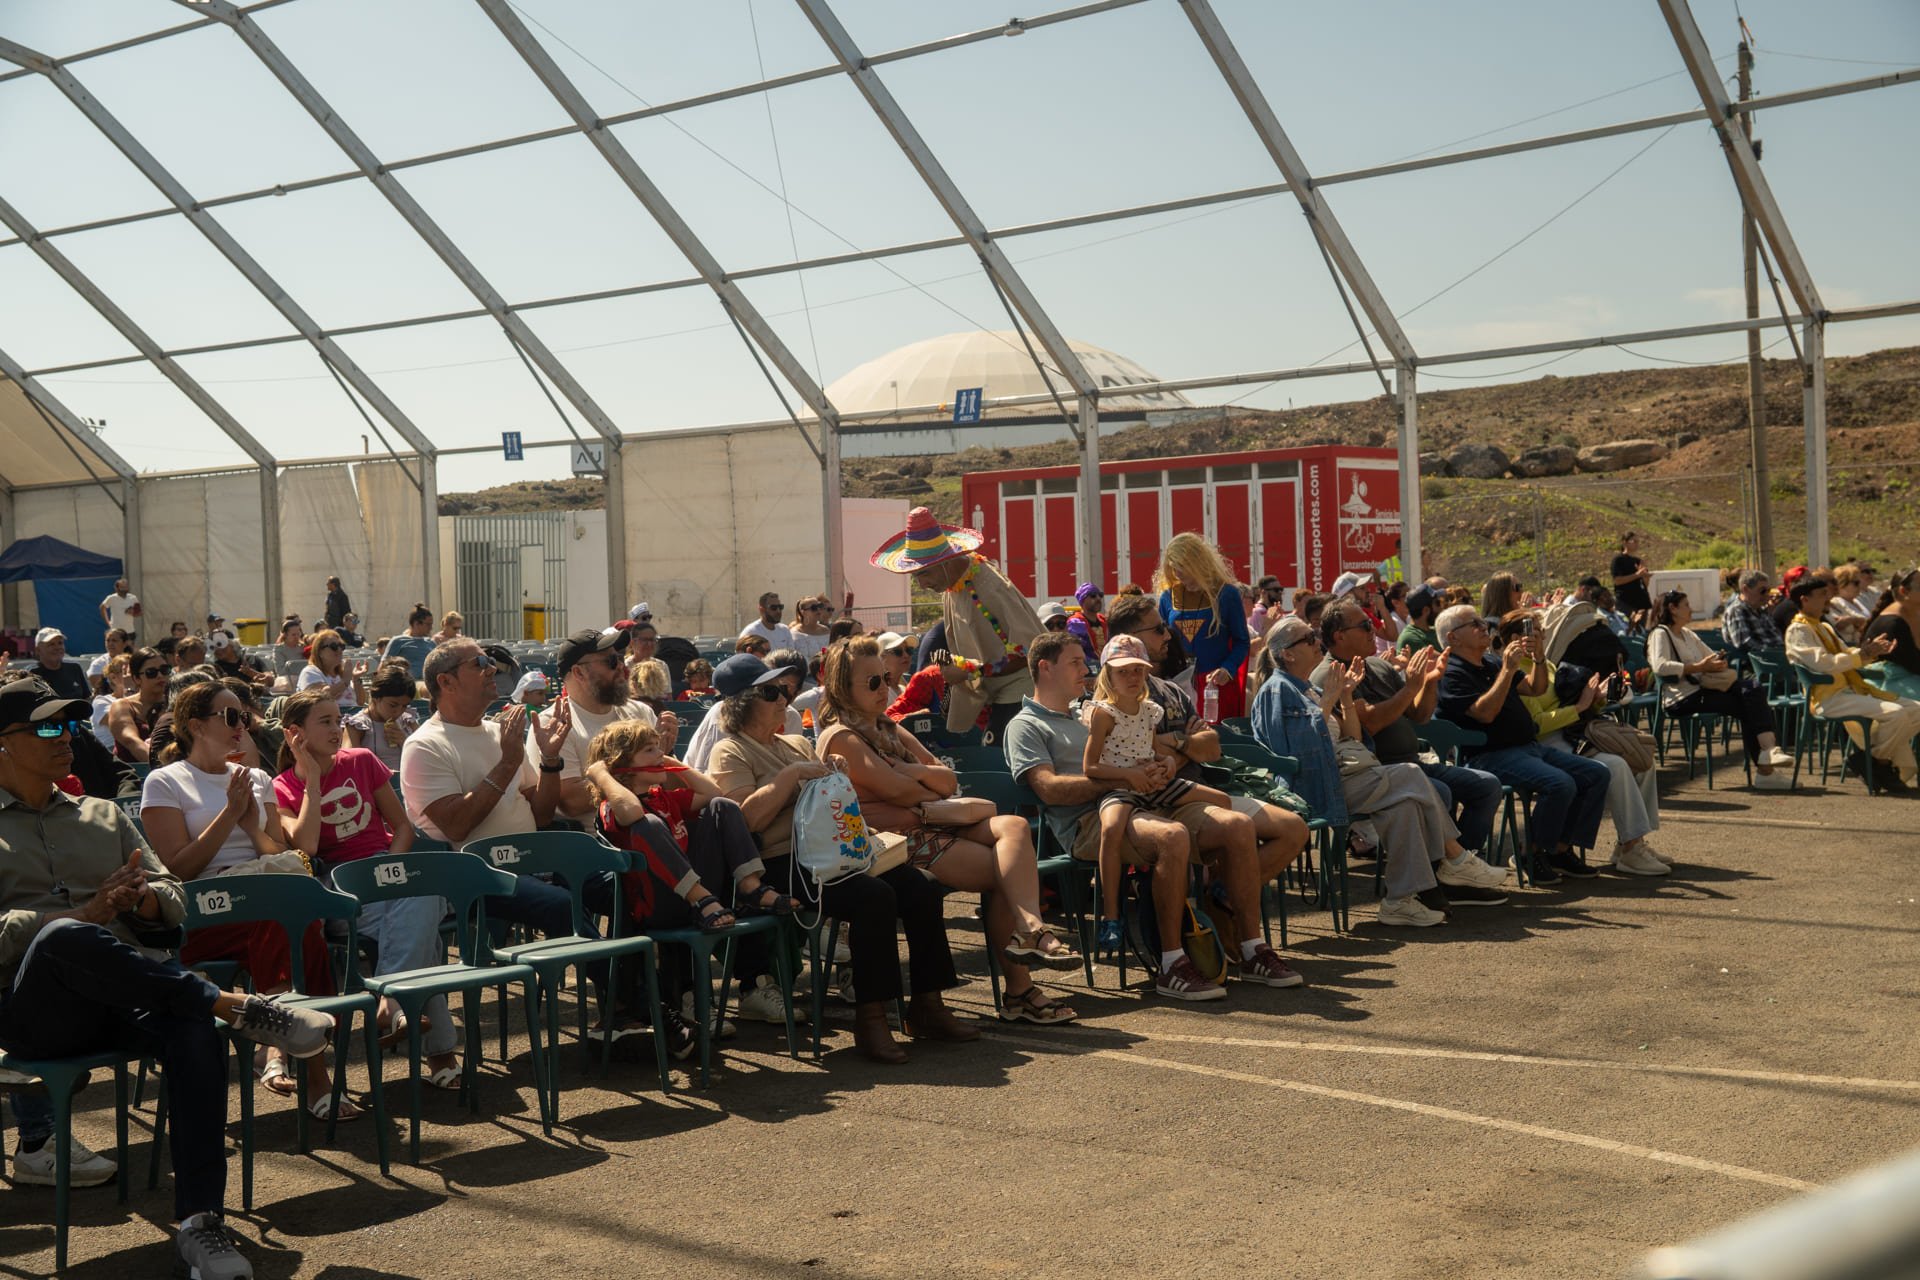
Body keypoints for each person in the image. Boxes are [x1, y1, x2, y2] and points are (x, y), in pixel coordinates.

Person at [0, 679, 337, 1279]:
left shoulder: (101, 815)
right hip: (35, 1014)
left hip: (130, 992)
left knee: (193, 1034)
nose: (69, 738)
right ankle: (235, 1005)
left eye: (74, 725)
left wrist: (140, 903)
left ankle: (201, 1221)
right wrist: (83, 916)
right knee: (64, 937)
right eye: (49, 727)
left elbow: (174, 894)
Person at [703, 654, 985, 1061]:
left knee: (919, 887)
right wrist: (791, 776)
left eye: (785, 690)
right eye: (771, 692)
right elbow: (745, 823)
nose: (785, 699)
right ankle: (870, 1021)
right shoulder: (730, 752)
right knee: (873, 897)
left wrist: (832, 774)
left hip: (828, 854)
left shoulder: (795, 742)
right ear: (740, 702)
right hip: (780, 866)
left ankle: (928, 1005)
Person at [1006, 630, 1303, 1000]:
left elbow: (1147, 746)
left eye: (1085, 661)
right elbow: (1049, 789)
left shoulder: (1089, 708)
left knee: (1238, 825)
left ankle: (1251, 948)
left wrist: (1161, 764)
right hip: (1091, 822)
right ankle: (1171, 963)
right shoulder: (1025, 725)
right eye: (1076, 662)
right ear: (1045, 668)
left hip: (1150, 799)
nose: (1086, 667)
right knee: (1172, 837)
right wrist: (1126, 779)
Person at [816, 637, 1080, 1026]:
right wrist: (918, 782)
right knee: (1006, 872)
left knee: (1015, 826)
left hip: (932, 822)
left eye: (886, 678)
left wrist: (912, 775)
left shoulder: (888, 727)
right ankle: (1020, 987)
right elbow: (896, 789)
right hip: (900, 842)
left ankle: (1029, 930)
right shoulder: (841, 737)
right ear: (842, 687)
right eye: (872, 682)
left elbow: (944, 779)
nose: (886, 688)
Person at [140, 681, 354, 1117]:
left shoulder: (256, 778)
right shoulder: (165, 783)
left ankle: (282, 1038)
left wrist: (253, 826)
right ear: (196, 726)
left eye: (245, 717)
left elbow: (276, 854)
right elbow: (178, 870)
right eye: (231, 717)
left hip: (261, 901)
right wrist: (229, 815)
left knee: (289, 917)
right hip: (202, 910)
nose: (243, 726)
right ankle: (310, 1064)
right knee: (285, 920)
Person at [1256, 618, 1491, 925]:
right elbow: (1293, 752)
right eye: (1309, 638)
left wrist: (1345, 698)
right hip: (1314, 786)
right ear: (1287, 654)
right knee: (1409, 773)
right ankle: (1455, 857)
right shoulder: (1276, 691)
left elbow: (1353, 738)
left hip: (1347, 775)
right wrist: (1328, 702)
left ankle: (1399, 901)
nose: (1317, 642)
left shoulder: (1310, 688)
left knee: (1403, 806)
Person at [271, 688, 450, 1079]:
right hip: (337, 887)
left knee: (423, 899)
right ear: (294, 733)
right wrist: (313, 782)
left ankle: (391, 995)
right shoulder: (282, 786)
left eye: (338, 720)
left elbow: (402, 827)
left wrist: (389, 871)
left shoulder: (363, 760)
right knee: (424, 921)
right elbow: (306, 844)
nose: (338, 729)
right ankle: (437, 1049)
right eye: (326, 722)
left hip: (384, 870)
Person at [583, 719, 801, 1030]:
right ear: (621, 765)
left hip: (700, 899)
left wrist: (669, 763)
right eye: (649, 749)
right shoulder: (614, 807)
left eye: (659, 747)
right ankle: (695, 994)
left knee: (723, 806)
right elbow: (631, 814)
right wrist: (601, 774)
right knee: (648, 824)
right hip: (659, 906)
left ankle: (751, 886)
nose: (660, 752)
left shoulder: (664, 796)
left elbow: (713, 792)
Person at [1102, 594, 1311, 893]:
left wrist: (1174, 742)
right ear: (1129, 639)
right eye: (1159, 629)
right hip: (1159, 804)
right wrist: (1187, 746)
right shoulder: (1112, 696)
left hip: (1200, 790)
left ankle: (1223, 895)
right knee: (1231, 829)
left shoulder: (1172, 687)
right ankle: (1226, 903)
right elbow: (1141, 753)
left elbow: (1212, 747)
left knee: (1294, 830)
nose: (1168, 634)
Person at [1312, 600, 1508, 900]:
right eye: (1366, 625)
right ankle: (1434, 884)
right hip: (1376, 772)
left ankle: (1456, 872)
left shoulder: (1376, 665)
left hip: (1412, 763)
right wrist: (1408, 688)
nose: (1374, 629)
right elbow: (1369, 725)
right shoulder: (1331, 676)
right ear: (1339, 635)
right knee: (1438, 791)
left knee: (1486, 785)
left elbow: (1420, 715)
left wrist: (1429, 683)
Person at [1434, 604, 1611, 885]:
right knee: (1560, 783)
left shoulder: (1490, 662)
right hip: (1489, 755)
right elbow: (1484, 713)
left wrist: (1539, 658)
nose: (1483, 627)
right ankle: (1531, 854)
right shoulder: (1452, 672)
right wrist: (1507, 670)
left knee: (1597, 773)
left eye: (1482, 621)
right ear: (1453, 638)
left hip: (1527, 748)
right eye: (1474, 624)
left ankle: (1559, 850)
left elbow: (1535, 688)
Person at [1496, 613, 1671, 875]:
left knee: (1642, 760)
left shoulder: (1544, 664)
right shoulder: (1515, 671)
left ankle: (1631, 842)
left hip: (1575, 734)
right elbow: (1537, 725)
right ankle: (1631, 848)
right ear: (1516, 638)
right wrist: (1579, 708)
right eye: (1535, 631)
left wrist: (1597, 697)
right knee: (1617, 765)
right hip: (1548, 742)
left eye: (1541, 630)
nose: (1542, 635)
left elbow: (1570, 702)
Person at [1082, 634, 1232, 936]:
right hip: (1120, 786)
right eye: (1122, 670)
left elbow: (1153, 750)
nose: (1132, 676)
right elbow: (1090, 767)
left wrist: (1167, 764)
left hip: (1153, 781)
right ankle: (1111, 916)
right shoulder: (1103, 713)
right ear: (1108, 674)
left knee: (1223, 802)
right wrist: (1129, 776)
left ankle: (1218, 882)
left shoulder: (1149, 710)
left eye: (1137, 669)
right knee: (1111, 830)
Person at [870, 507, 1043, 739]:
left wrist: (972, 671)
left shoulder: (989, 586)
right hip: (994, 696)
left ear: (945, 563)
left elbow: (1031, 651)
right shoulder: (952, 586)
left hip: (1021, 694)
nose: (921, 585)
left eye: (923, 574)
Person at [1785, 573, 1920, 790]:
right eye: (1821, 595)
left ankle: (1872, 761)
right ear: (1805, 599)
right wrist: (1861, 655)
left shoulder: (1823, 627)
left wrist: (1872, 652)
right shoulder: (1798, 629)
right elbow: (1823, 664)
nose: (1827, 599)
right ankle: (1878, 765)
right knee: (1896, 713)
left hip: (1849, 691)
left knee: (1916, 710)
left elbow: (1848, 654)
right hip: (1827, 697)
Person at [1646, 589, 1792, 789]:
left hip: (1702, 690)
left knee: (1752, 689)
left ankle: (1768, 756)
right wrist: (1699, 667)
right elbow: (1660, 666)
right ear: (1672, 609)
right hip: (1681, 698)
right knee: (1747, 704)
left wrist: (1718, 662)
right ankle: (1766, 767)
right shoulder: (1660, 634)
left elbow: (1710, 655)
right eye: (1686, 605)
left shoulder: (1688, 634)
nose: (1691, 609)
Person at [1158, 532, 1251, 721]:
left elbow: (1242, 641)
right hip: (1178, 685)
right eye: (1174, 567)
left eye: (1182, 566)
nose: (1177, 573)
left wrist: (1228, 668)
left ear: (1197, 561)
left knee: (1217, 742)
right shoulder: (1167, 598)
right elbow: (1159, 641)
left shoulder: (1226, 594)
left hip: (1216, 686)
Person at [344, 661, 420, 771]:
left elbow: (428, 756)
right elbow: (349, 764)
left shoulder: (408, 720)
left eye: (404, 706)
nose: (398, 711)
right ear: (376, 698)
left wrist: (405, 741)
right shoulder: (357, 725)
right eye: (393, 705)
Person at [1861, 568, 1920, 701]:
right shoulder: (1893, 623)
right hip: (1888, 683)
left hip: (1909, 677)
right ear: (1904, 591)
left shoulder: (1914, 613)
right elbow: (1913, 662)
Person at [297, 628, 367, 714]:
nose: (339, 650)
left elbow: (360, 702)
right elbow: (320, 698)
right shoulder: (310, 672)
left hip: (353, 717)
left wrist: (356, 679)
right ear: (320, 652)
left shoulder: (342, 673)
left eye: (342, 646)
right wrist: (345, 681)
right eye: (334, 647)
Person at [1722, 570, 1784, 658]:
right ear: (1745, 589)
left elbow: (1775, 636)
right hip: (1761, 663)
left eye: (1768, 590)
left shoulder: (1761, 609)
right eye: (1762, 591)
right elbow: (1745, 643)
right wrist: (1775, 653)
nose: (1767, 595)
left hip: (1777, 657)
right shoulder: (1737, 610)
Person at [30, 627, 90, 703]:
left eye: (60, 643)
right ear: (38, 650)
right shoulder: (31, 674)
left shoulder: (74, 669)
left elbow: (86, 698)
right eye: (51, 644)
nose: (57, 647)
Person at [382, 603, 437, 682]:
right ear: (416, 623)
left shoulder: (431, 643)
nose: (431, 628)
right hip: (407, 685)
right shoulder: (398, 641)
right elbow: (383, 667)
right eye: (428, 624)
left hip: (429, 684)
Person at [1826, 563, 1876, 645]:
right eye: (1856, 583)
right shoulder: (1836, 603)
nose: (1859, 586)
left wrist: (1854, 620)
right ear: (1842, 584)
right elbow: (1839, 625)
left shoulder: (1857, 602)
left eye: (1859, 582)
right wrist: (1856, 621)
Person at [1611, 532, 1653, 622]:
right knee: (1627, 629)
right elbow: (1617, 581)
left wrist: (1645, 577)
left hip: (1641, 603)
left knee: (1641, 633)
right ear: (1624, 542)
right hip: (1626, 603)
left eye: (1638, 541)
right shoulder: (1618, 560)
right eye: (1634, 541)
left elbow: (1645, 585)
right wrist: (1637, 575)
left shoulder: (1638, 561)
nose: (1637, 543)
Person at [1394, 583, 1442, 655]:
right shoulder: (1411, 638)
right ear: (1426, 610)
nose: (1440, 608)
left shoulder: (1433, 630)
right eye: (1438, 603)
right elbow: (1444, 662)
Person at [1066, 582, 1107, 663]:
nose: (1098, 598)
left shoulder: (1104, 621)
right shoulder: (1075, 623)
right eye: (1093, 596)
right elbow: (1076, 651)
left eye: (1100, 595)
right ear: (1083, 600)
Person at [787, 595, 832, 665]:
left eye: (819, 606)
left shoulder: (826, 631)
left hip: (824, 673)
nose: (818, 610)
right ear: (803, 612)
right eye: (814, 608)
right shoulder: (794, 634)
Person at [86, 627, 132, 695]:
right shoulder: (98, 664)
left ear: (125, 643)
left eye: (114, 640)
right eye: (108, 640)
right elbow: (98, 686)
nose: (110, 643)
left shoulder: (133, 661)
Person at [271, 618, 307, 685]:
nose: (296, 637)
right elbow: (280, 672)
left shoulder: (303, 648)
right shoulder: (279, 649)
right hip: (286, 682)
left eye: (298, 634)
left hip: (303, 680)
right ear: (285, 635)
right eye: (293, 635)